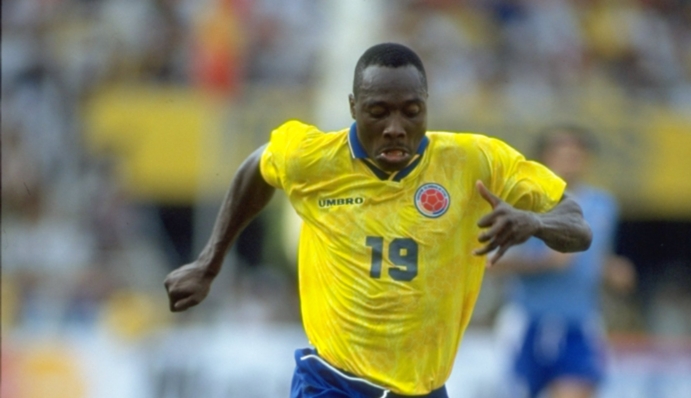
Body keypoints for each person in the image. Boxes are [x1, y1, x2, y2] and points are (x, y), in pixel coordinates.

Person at [164, 43, 592, 398]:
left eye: (411, 111)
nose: (395, 127)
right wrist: (209, 262)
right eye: (378, 111)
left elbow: (576, 223)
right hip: (332, 380)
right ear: (353, 107)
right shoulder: (314, 159)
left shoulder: (474, 161)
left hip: (423, 388)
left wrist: (535, 224)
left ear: (427, 106)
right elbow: (259, 167)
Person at [491, 125, 635, 398]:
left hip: (579, 323)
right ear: (545, 158)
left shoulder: (602, 205)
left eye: (577, 154)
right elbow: (492, 261)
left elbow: (597, 256)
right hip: (529, 323)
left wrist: (611, 270)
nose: (571, 161)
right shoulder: (523, 201)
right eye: (563, 154)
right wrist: (542, 262)